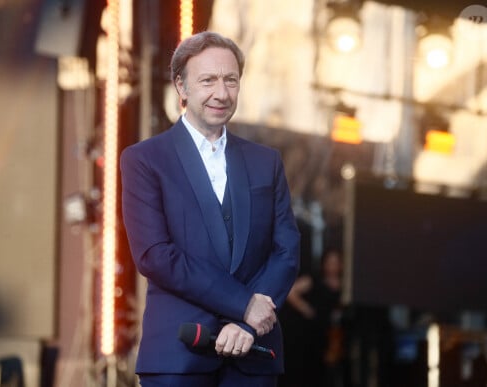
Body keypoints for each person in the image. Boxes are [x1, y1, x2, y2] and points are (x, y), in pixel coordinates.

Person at [120, 31, 301, 387]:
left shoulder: (266, 162)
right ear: (181, 87)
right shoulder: (145, 159)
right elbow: (155, 256)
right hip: (178, 354)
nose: (221, 93)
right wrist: (243, 304)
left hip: (254, 355)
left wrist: (248, 323)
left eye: (231, 80)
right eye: (208, 81)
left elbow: (286, 251)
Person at [278, 247, 344, 387]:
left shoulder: (345, 286)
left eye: (336, 262)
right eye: (329, 262)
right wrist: (306, 309)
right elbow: (291, 292)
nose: (332, 266)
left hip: (328, 336)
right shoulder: (314, 280)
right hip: (308, 335)